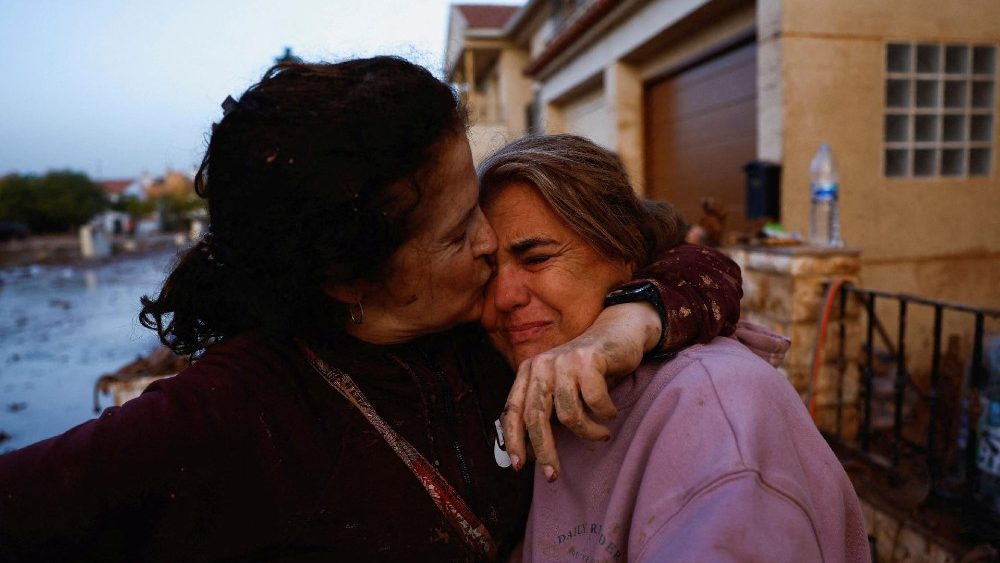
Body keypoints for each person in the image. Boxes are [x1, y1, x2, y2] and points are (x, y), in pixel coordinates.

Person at [0, 59, 742, 562]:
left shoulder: (479, 323)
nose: (491, 244)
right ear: (346, 280)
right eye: (458, 233)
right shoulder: (235, 410)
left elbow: (692, 257)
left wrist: (628, 319)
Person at [480, 134, 870, 562]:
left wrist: (633, 317)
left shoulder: (717, 415)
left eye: (536, 258)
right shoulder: (524, 382)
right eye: (486, 270)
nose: (503, 297)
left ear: (624, 251)